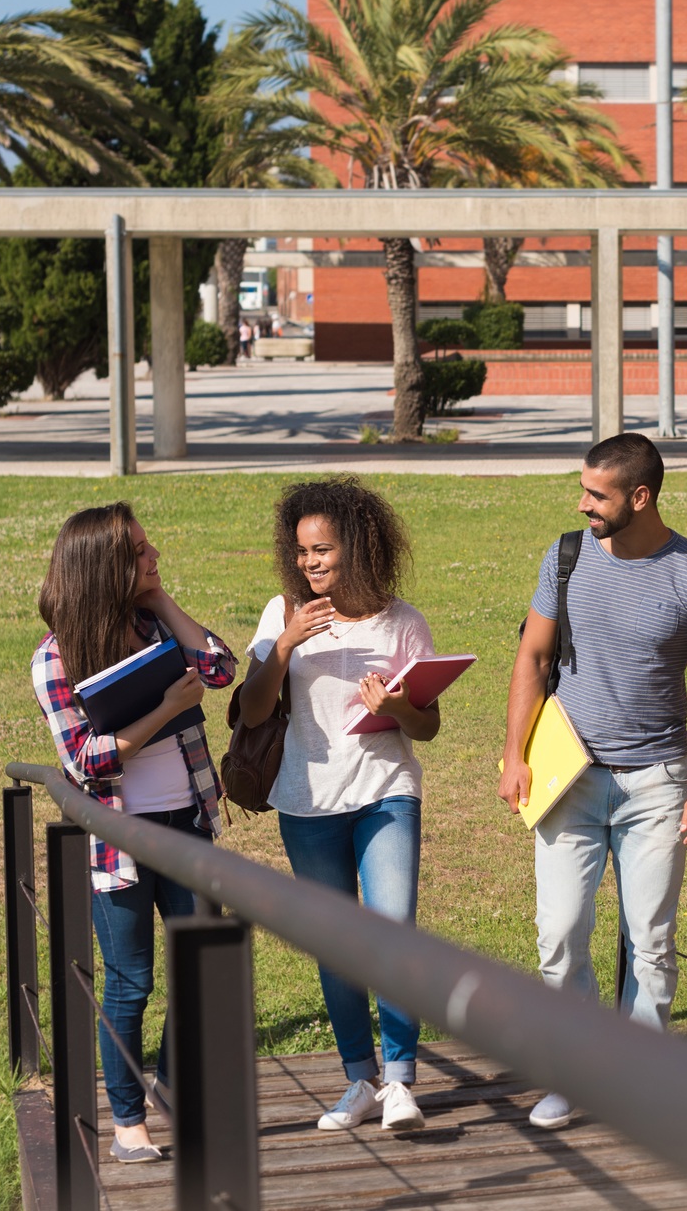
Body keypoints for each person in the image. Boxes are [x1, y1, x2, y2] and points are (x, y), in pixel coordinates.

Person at [499, 432, 687, 1131]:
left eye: (596, 494)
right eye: (582, 490)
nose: (582, 504)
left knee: (652, 939)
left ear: (640, 497)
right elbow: (533, 653)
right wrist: (514, 753)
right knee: (561, 933)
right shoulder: (567, 556)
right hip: (568, 778)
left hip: (657, 784)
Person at [31, 503, 236, 1165]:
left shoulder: (155, 625)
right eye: (144, 553)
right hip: (117, 836)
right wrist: (168, 708)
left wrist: (163, 599)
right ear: (107, 566)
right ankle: (127, 1120)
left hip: (188, 823)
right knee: (130, 981)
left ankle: (171, 1081)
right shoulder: (54, 657)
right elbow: (84, 759)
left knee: (198, 967)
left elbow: (220, 670)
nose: (156, 557)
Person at [239, 476, 440, 1134]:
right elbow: (254, 708)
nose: (310, 562)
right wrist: (287, 643)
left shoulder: (403, 621)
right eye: (302, 552)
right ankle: (361, 1079)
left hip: (386, 793)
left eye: (322, 548)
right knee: (336, 943)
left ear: (356, 545)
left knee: (390, 933)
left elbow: (426, 726)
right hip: (307, 800)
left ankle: (402, 1081)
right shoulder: (283, 613)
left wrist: (399, 707)